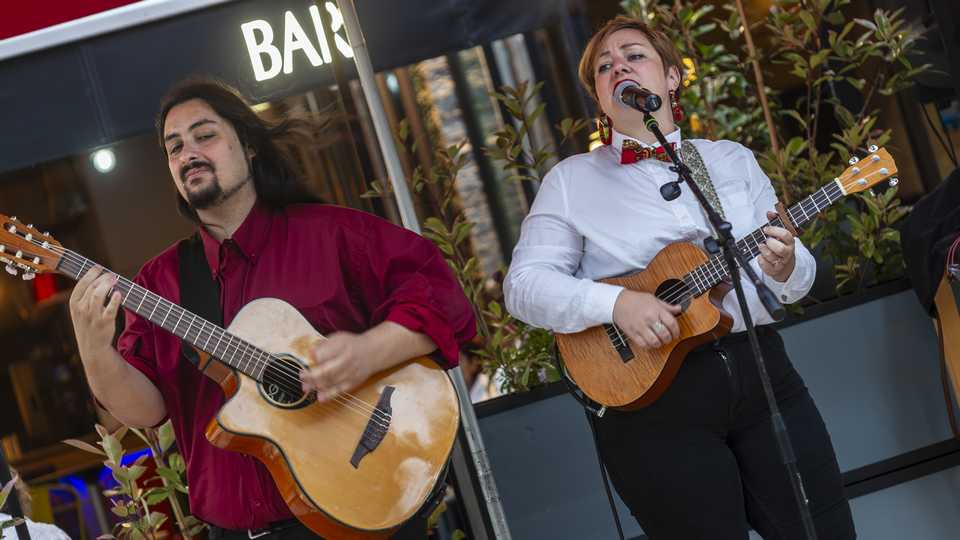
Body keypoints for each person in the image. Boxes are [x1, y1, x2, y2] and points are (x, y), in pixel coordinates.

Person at [67, 78, 476, 539]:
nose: (188, 154)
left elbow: (445, 300)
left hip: (360, 509)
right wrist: (93, 349)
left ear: (248, 144)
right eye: (174, 147)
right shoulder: (160, 283)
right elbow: (143, 410)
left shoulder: (332, 235)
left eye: (205, 135)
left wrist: (370, 351)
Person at [504, 15, 856, 540]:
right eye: (604, 66)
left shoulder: (729, 159)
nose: (618, 65)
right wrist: (617, 306)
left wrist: (786, 265)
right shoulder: (572, 181)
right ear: (601, 98)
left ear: (671, 78)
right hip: (654, 403)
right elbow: (524, 287)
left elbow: (794, 276)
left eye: (634, 55)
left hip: (760, 371)